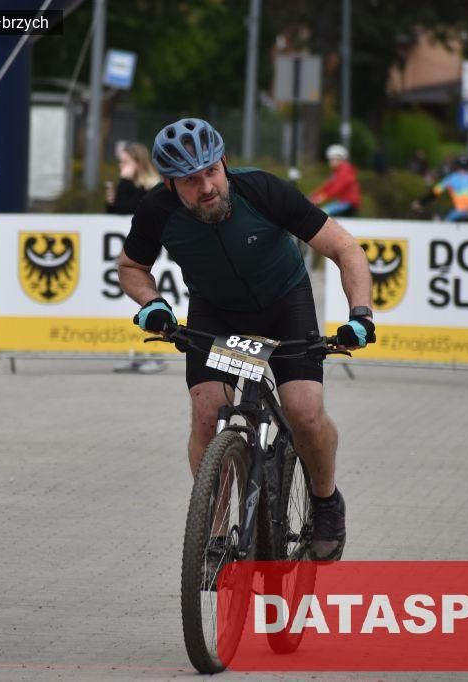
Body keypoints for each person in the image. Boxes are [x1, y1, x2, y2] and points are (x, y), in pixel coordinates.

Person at [117, 118, 375, 568]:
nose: (206, 187)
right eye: (190, 180)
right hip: (217, 314)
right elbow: (131, 267)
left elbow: (345, 249)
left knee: (304, 410)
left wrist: (360, 314)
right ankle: (215, 534)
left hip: (284, 304)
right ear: (169, 183)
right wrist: (152, 304)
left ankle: (325, 500)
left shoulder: (263, 190)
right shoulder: (156, 210)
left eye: (211, 172)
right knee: (207, 412)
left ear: (224, 163)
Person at [105, 142, 166, 375]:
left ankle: (155, 355)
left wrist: (124, 182)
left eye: (125, 162)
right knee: (134, 305)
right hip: (132, 254)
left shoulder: (151, 187)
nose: (122, 167)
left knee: (153, 301)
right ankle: (137, 354)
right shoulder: (132, 186)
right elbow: (115, 214)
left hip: (151, 259)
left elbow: (127, 209)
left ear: (138, 163)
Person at [411, 155, 468, 222]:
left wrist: (420, 202)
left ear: (456, 166)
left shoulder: (452, 178)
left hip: (458, 213)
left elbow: (435, 193)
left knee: (438, 217)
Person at [309, 144, 361, 217]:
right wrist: (314, 195)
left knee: (322, 213)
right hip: (344, 202)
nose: (330, 162)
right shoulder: (338, 172)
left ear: (340, 159)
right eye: (330, 159)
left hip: (348, 203)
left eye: (332, 159)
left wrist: (322, 197)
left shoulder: (345, 171)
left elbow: (337, 188)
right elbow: (327, 186)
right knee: (322, 213)